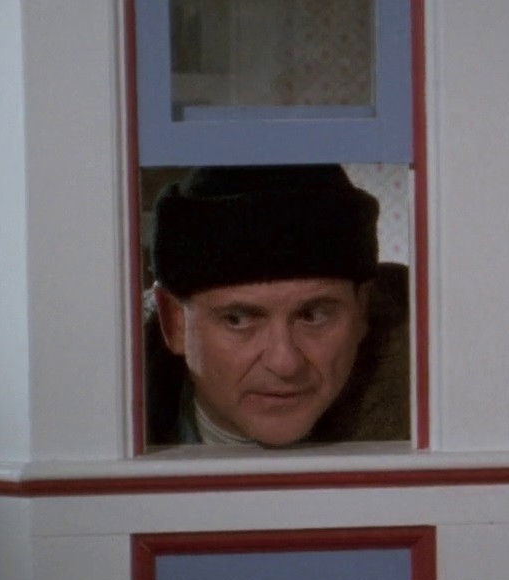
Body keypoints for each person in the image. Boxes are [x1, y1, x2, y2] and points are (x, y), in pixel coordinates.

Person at [145, 164, 409, 447]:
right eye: (237, 319)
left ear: (361, 310)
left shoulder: (431, 399)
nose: (285, 364)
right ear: (175, 322)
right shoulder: (115, 410)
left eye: (313, 315)